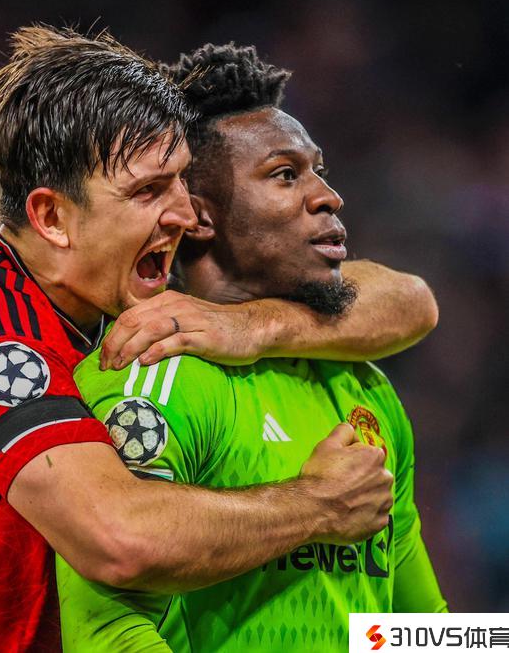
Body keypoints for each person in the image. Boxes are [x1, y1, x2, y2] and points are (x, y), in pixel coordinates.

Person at [0, 26, 434, 651]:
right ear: (52, 217)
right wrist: (318, 505)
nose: (185, 213)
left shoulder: (132, 301)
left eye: (182, 180)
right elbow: (119, 543)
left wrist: (253, 325)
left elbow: (412, 303)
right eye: (148, 190)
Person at [57, 43, 447, 652]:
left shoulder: (363, 386)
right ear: (200, 217)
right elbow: (108, 631)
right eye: (285, 174)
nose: (328, 196)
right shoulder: (156, 373)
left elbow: (416, 629)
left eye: (319, 170)